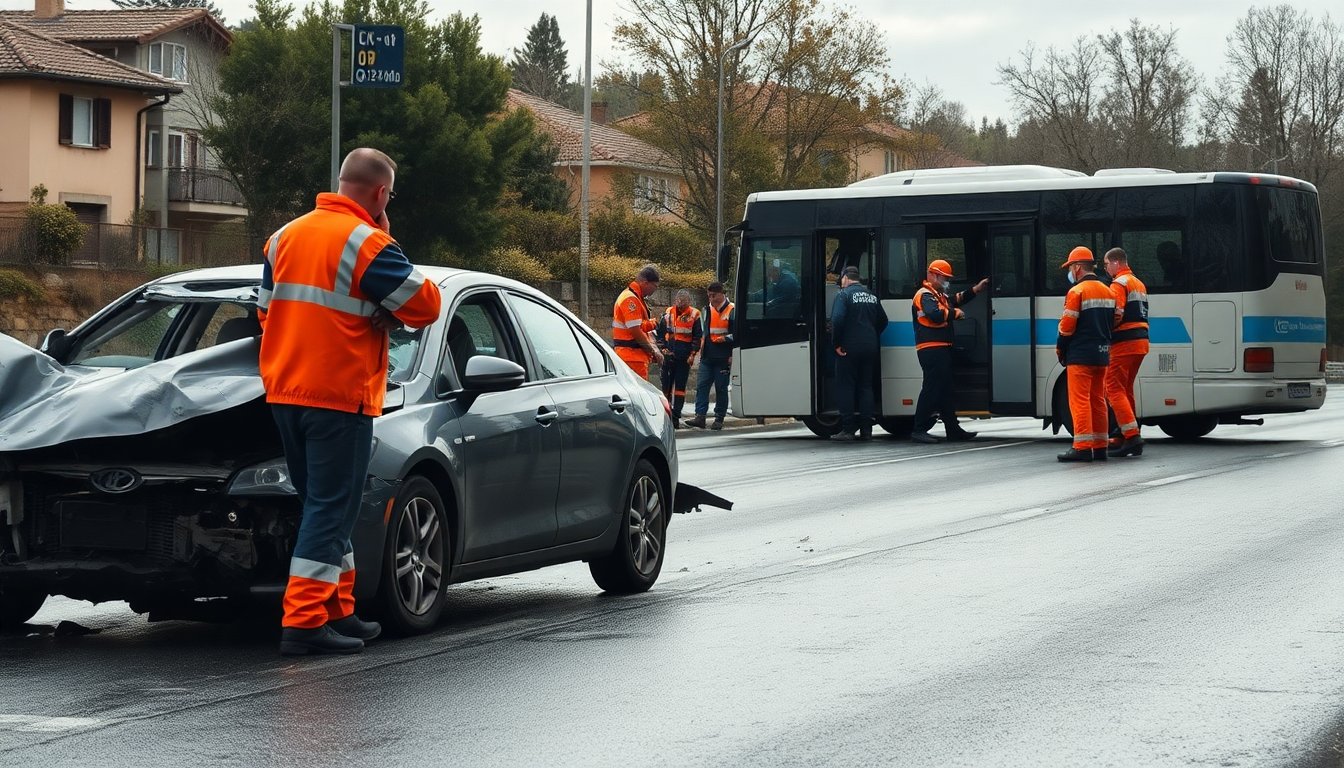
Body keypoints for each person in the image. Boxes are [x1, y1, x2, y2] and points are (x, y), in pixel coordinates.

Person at [259, 148, 442, 656]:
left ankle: (339, 609)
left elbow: (266, 314)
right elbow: (426, 304)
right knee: (331, 507)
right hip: (338, 395)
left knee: (321, 504)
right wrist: (386, 243)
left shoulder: (283, 237)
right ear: (381, 194)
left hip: (285, 390)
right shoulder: (367, 241)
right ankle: (303, 622)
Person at [910, 259, 988, 444]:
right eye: (944, 277)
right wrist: (955, 314)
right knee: (931, 388)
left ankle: (953, 429)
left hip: (940, 347)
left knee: (945, 389)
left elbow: (954, 300)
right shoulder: (924, 295)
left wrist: (976, 290)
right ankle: (918, 429)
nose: (946, 281)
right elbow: (935, 315)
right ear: (933, 275)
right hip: (931, 349)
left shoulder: (937, 295)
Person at [1056, 246, 1115, 463]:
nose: (1070, 271)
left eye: (1070, 267)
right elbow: (1115, 320)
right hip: (1102, 354)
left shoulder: (1076, 292)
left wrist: (1061, 348)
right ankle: (1100, 446)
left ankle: (1081, 447)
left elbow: (1067, 327)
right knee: (1098, 400)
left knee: (1079, 400)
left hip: (1080, 355)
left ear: (1078, 267)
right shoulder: (1108, 291)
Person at [830, 266, 888, 441]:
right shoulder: (871, 295)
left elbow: (837, 319)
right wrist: (871, 335)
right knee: (866, 387)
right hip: (870, 347)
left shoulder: (844, 295)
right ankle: (866, 430)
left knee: (846, 386)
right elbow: (883, 320)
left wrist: (836, 343)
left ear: (845, 278)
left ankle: (848, 429)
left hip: (849, 348)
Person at [1103, 247, 1148, 457]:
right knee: (1126, 388)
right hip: (1140, 343)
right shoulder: (1138, 282)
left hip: (1124, 343)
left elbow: (1117, 314)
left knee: (1112, 388)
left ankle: (1131, 436)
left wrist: (1103, 330)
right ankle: (1125, 433)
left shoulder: (1118, 284)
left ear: (1116, 263)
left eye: (1106, 264)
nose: (1106, 269)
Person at [686, 281, 735, 431]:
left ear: (722, 294)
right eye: (709, 296)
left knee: (721, 388)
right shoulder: (707, 309)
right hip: (707, 356)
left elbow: (738, 334)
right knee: (702, 386)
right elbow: (704, 332)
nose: (711, 299)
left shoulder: (732, 310)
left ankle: (719, 418)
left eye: (714, 295)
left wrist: (726, 340)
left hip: (723, 356)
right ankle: (700, 416)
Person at [655, 289, 702, 425]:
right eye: (679, 301)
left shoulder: (694, 314)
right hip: (668, 355)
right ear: (676, 300)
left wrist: (692, 354)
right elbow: (660, 334)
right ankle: (666, 414)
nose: (681, 304)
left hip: (684, 357)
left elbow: (697, 337)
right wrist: (663, 349)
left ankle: (676, 416)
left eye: (684, 302)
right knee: (666, 387)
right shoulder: (668, 313)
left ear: (689, 302)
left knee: (680, 388)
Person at [612, 264, 663, 379]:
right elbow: (636, 331)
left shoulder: (635, 297)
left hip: (633, 356)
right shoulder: (631, 299)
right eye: (654, 286)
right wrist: (652, 351)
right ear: (645, 283)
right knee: (637, 390)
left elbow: (641, 327)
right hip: (631, 357)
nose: (654, 290)